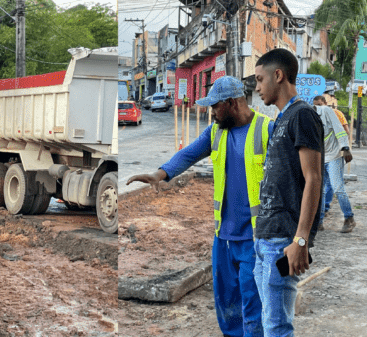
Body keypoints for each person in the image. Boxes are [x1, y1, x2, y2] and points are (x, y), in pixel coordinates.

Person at [127, 76, 271, 336]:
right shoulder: (216, 131)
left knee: (253, 304)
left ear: (231, 103)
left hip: (254, 238)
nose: (212, 112)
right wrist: (160, 174)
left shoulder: (266, 129)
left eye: (215, 106)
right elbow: (189, 154)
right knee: (226, 304)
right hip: (223, 237)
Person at [254, 48, 324, 336]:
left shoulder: (302, 115)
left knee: (277, 327)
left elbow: (314, 178)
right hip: (265, 239)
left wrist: (301, 240)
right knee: (270, 322)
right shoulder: (281, 119)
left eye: (260, 79)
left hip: (283, 241)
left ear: (278, 75)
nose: (257, 87)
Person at [313, 96, 355, 232]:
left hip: (335, 155)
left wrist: (346, 149)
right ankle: (318, 222)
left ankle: (349, 218)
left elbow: (339, 129)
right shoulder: (309, 116)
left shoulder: (327, 111)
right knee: (321, 190)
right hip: (321, 157)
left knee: (337, 187)